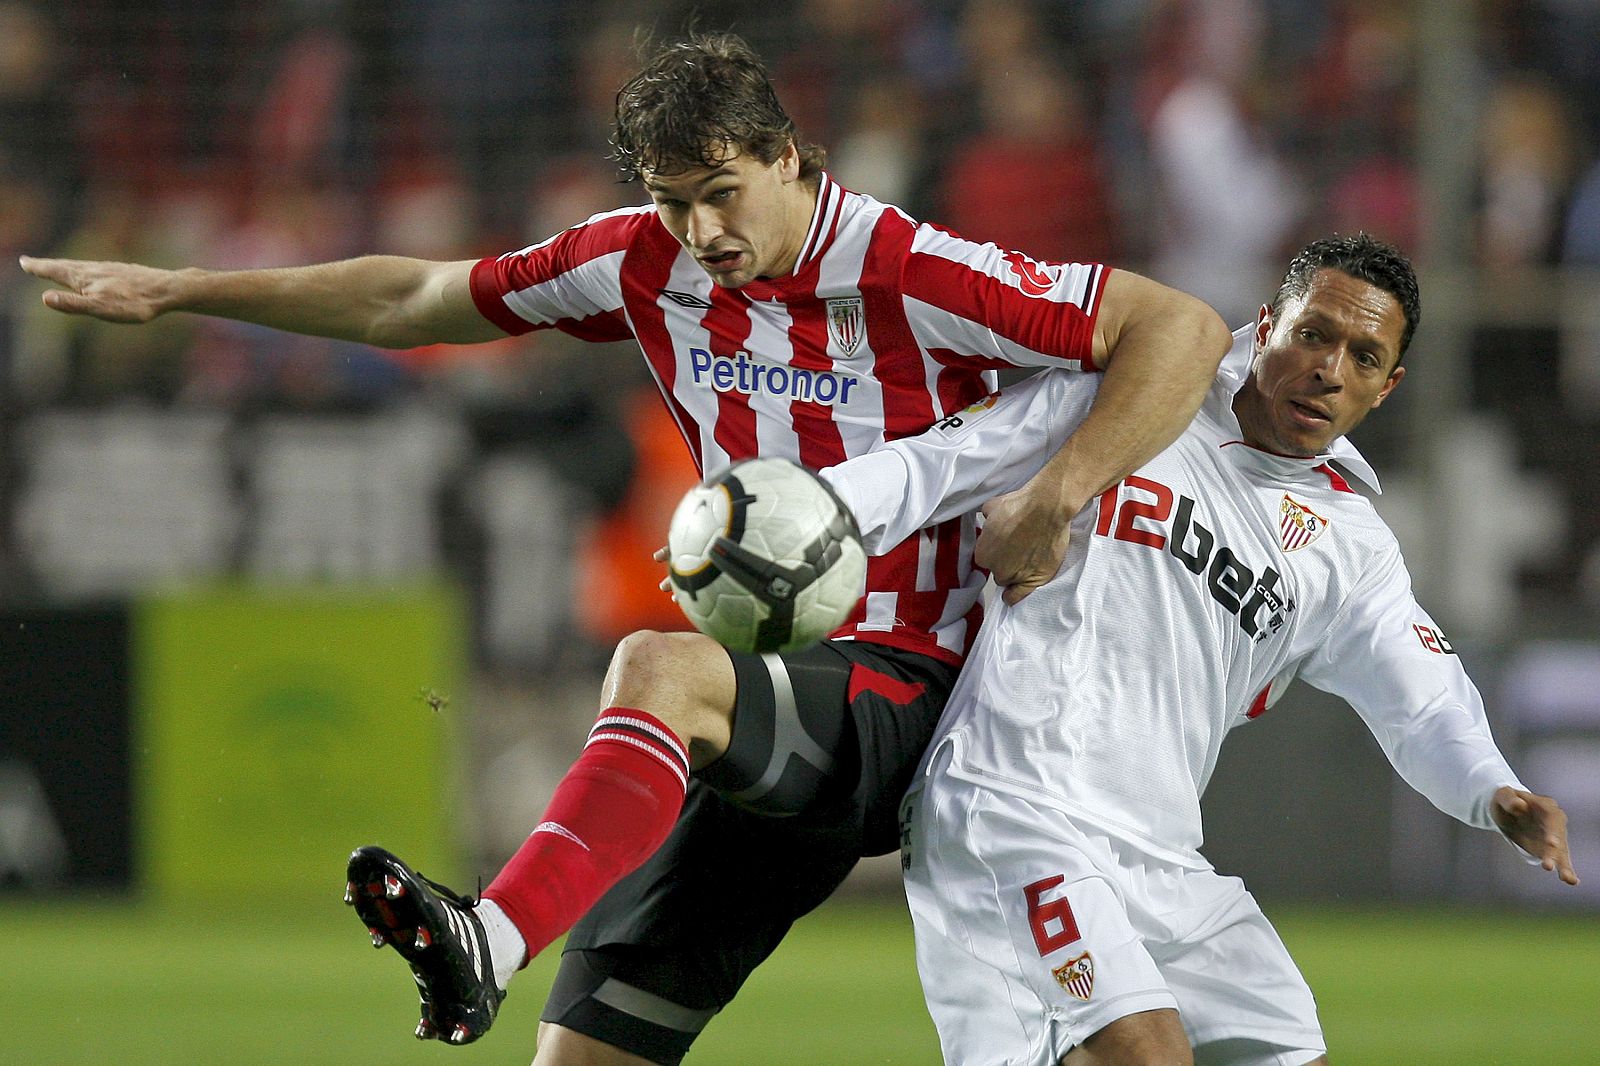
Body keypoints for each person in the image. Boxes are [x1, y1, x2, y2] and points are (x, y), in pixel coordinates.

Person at [20, 32, 1232, 1065]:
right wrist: (187, 291)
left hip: (928, 689)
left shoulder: (907, 265)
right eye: (671, 197)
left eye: (721, 190)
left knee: (657, 669)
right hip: (779, 707)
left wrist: (1061, 491)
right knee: (585, 1051)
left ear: (790, 160)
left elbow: (1177, 325)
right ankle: (498, 954)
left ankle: (489, 933)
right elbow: (412, 301)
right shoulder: (636, 261)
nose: (699, 228)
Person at [818, 233, 1579, 1066]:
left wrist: (1492, 791)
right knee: (1145, 1055)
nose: (1330, 370)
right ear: (1266, 325)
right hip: (1014, 806)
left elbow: (1422, 696)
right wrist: (809, 517)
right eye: (1314, 334)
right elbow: (939, 462)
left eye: (1365, 357)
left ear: (1387, 387)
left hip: (1163, 858)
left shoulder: (1350, 546)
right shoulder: (1129, 401)